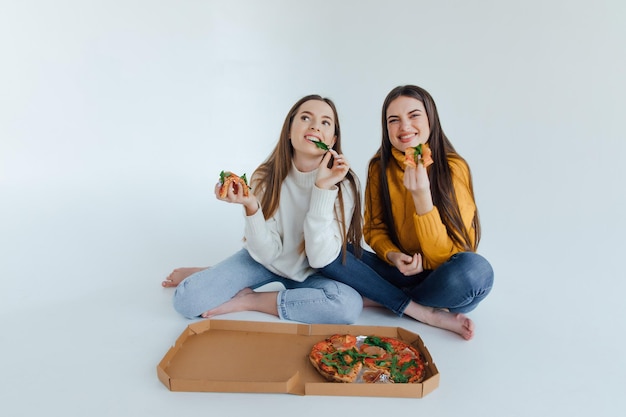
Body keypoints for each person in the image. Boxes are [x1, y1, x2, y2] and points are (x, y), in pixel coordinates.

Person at [162, 94, 364, 324]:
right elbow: (267, 253)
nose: (315, 126)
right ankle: (213, 273)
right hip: (263, 260)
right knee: (187, 300)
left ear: (333, 139)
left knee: (347, 307)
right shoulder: (265, 177)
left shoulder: (344, 185)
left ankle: (250, 299)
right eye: (306, 118)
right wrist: (251, 206)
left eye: (325, 122)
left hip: (313, 272)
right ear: (289, 131)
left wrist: (322, 190)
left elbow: (320, 259)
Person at [320, 85, 493, 340]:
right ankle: (421, 311)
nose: (404, 127)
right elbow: (374, 229)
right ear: (386, 127)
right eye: (394, 120)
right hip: (400, 272)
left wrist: (422, 197)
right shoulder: (379, 167)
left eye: (414, 115)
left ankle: (381, 297)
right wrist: (393, 254)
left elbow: (457, 253)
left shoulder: (453, 168)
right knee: (329, 248)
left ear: (430, 119)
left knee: (475, 272)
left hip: (444, 279)